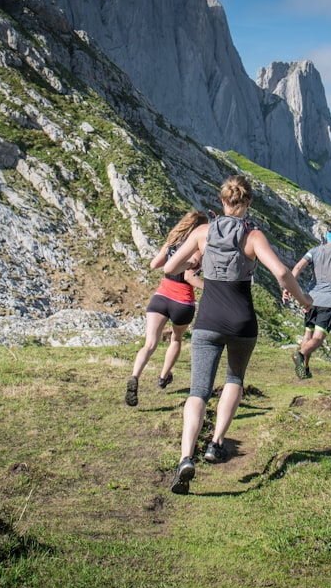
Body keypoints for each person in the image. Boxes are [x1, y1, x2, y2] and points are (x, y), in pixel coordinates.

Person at [163, 175, 313, 495]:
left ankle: (185, 457)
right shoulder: (253, 236)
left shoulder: (203, 232)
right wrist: (304, 301)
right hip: (243, 322)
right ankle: (215, 443)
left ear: (222, 201)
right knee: (234, 380)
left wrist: (196, 258)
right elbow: (283, 273)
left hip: (208, 320)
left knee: (197, 392)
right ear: (248, 203)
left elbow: (171, 266)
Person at [125, 210, 208, 407]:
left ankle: (135, 375)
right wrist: (213, 289)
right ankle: (163, 377)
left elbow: (155, 264)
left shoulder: (171, 241)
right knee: (176, 339)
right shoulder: (196, 247)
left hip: (161, 297)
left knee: (150, 344)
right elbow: (189, 277)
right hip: (183, 301)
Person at [288, 223, 331, 379]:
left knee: (308, 333)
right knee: (318, 338)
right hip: (329, 302)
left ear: (326, 236)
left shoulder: (315, 251)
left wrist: (289, 286)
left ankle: (304, 369)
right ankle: (300, 354)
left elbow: (298, 267)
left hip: (310, 299)